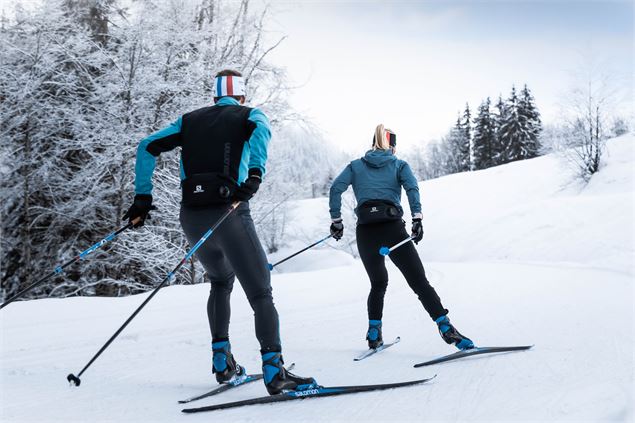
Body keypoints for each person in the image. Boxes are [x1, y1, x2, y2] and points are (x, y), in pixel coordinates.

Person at [123, 69, 316, 395]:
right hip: (230, 212)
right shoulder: (249, 114)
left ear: (214, 96)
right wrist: (254, 175)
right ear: (241, 95)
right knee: (260, 292)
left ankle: (222, 362)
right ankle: (274, 371)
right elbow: (261, 134)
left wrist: (143, 198)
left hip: (191, 218)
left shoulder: (189, 120)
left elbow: (147, 146)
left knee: (220, 281)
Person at [328, 124, 474, 351]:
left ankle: (374, 332)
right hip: (393, 229)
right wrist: (417, 219)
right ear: (392, 147)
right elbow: (412, 188)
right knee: (419, 282)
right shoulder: (399, 165)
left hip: (365, 232)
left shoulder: (355, 166)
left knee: (378, 283)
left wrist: (336, 221)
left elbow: (336, 188)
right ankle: (446, 328)